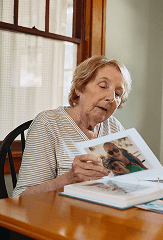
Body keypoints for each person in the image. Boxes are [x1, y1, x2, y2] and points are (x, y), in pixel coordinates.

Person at [13, 55, 132, 197]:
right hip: (59, 216)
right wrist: (69, 179)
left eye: (118, 94)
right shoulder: (48, 123)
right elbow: (21, 196)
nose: (111, 98)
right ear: (79, 88)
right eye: (102, 86)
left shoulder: (114, 126)